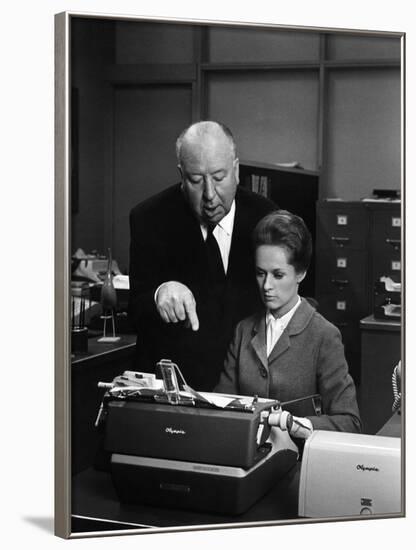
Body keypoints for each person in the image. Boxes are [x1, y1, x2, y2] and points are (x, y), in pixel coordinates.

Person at [128, 121, 276, 390]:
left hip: (247, 385)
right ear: (181, 176)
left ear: (236, 170)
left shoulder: (268, 219)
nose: (210, 195)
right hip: (179, 389)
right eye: (196, 181)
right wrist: (159, 293)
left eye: (219, 178)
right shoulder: (149, 219)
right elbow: (135, 311)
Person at [215, 210, 361, 433]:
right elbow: (221, 405)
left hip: (298, 461)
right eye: (260, 273)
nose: (266, 285)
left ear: (300, 273)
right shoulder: (243, 330)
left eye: (278, 275)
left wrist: (296, 425)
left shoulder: (323, 335)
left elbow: (350, 422)